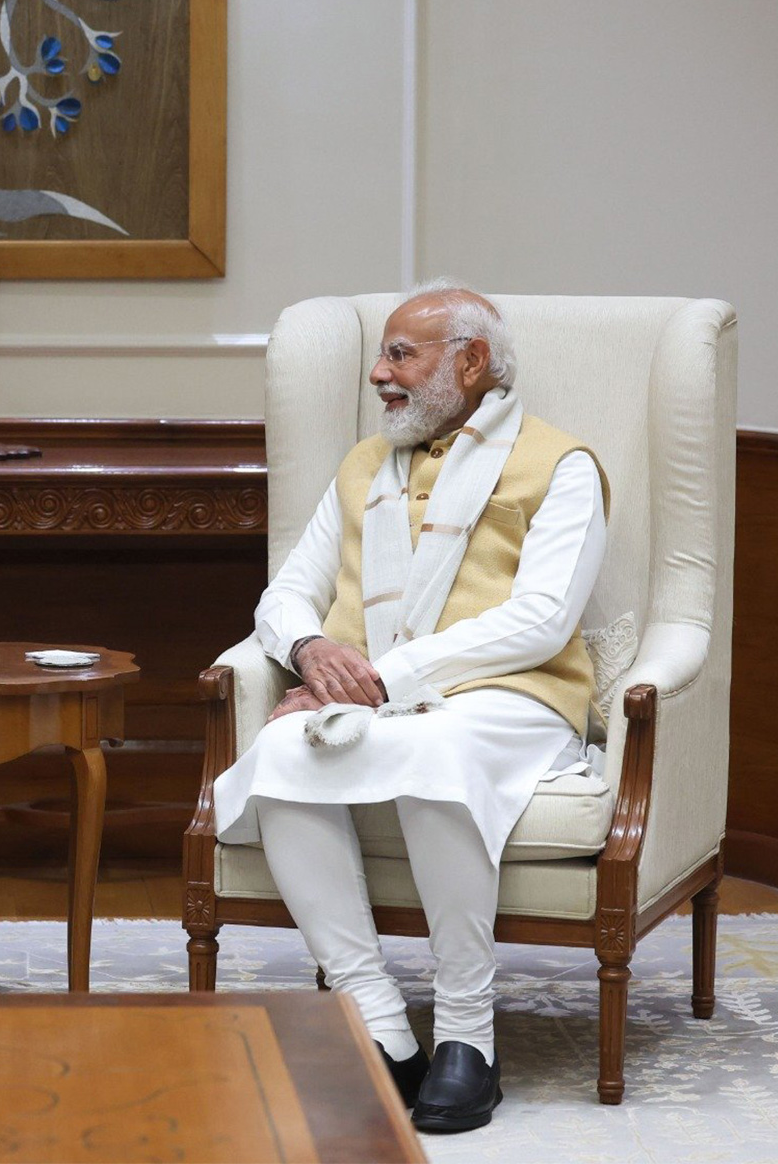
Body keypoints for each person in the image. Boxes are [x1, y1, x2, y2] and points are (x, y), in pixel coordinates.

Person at [211, 281, 609, 1133]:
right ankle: (380, 1025)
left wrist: (388, 678)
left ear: (469, 363)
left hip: (507, 699)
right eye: (381, 355)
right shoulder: (362, 466)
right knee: (280, 753)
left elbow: (542, 620)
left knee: (439, 749)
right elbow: (287, 595)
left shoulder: (562, 464)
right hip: (368, 699)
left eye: (401, 355)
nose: (378, 376)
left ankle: (469, 1035)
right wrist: (311, 652)